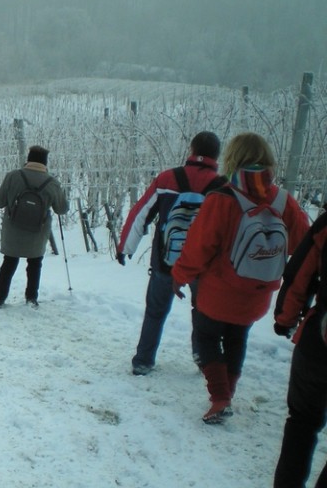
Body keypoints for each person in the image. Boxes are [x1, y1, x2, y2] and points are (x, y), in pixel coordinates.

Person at [172, 132, 309, 424]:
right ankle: (228, 393)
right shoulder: (285, 202)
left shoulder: (223, 198)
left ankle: (219, 397)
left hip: (218, 293)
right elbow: (304, 247)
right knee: (237, 338)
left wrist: (179, 276)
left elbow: (198, 247)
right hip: (258, 295)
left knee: (205, 335)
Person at [116, 131, 227, 375]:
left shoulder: (167, 178)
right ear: (217, 155)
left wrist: (126, 247)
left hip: (166, 261)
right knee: (203, 313)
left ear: (191, 149)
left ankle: (143, 361)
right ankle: (203, 359)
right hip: (204, 267)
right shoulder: (222, 186)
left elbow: (141, 213)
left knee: (155, 310)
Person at [269, 212, 327, 488]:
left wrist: (285, 318)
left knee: (302, 421)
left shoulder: (325, 226)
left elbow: (299, 275)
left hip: (318, 341)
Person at [0, 146, 68, 308]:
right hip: (37, 232)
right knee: (35, 263)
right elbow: (62, 209)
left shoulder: (13, 177)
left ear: (28, 159)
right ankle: (31, 298)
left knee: (9, 262)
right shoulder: (52, 183)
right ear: (45, 163)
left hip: (13, 231)